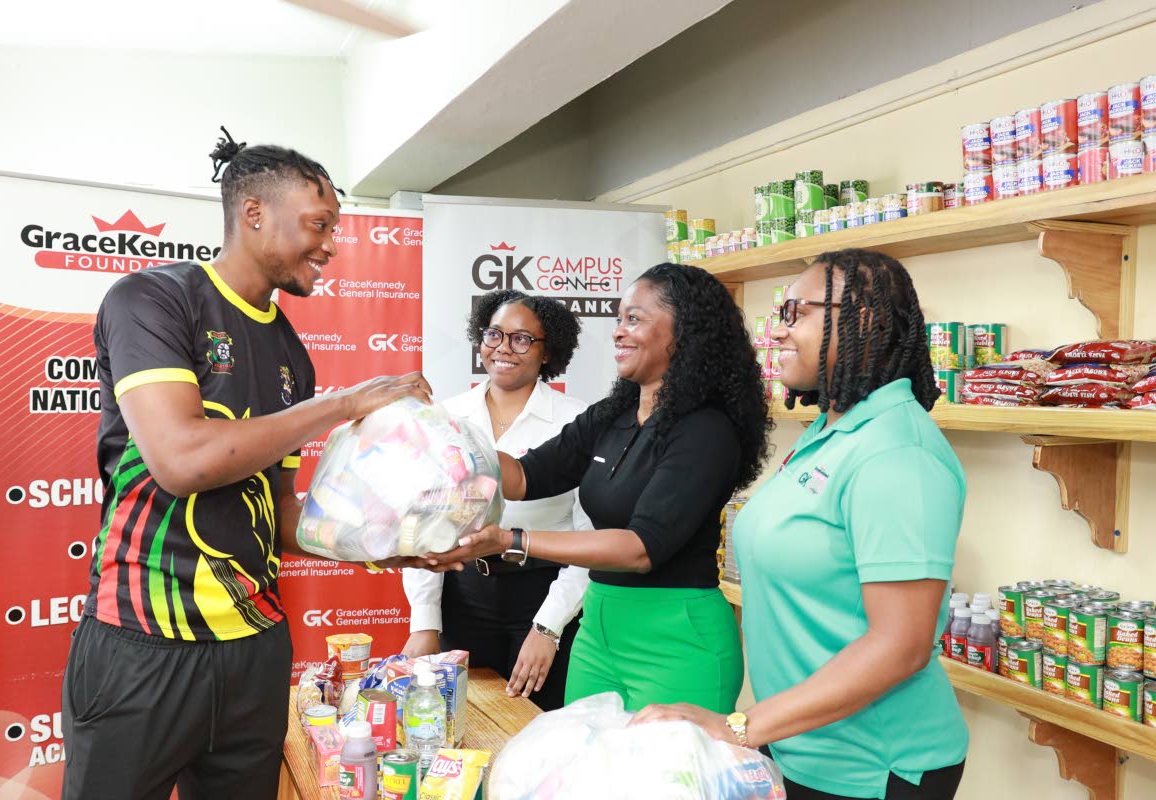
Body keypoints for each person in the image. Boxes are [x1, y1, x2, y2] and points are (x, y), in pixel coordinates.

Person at [61, 129, 431, 800]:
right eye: (318, 225)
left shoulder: (291, 349)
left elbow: (281, 512)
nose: (331, 246)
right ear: (254, 212)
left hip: (256, 650)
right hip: (142, 645)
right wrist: (343, 404)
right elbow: (181, 461)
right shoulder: (153, 299)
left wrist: (391, 547)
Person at [631, 248, 968, 800]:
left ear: (862, 319)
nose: (778, 332)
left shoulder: (897, 454)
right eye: (778, 316)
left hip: (872, 765)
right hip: (800, 744)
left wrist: (741, 726)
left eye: (796, 313)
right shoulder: (830, 430)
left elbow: (901, 644)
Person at [422, 263, 772, 714]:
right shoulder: (613, 415)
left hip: (676, 635)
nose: (619, 333)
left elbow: (641, 547)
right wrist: (437, 436)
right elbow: (524, 477)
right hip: (598, 627)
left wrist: (512, 541)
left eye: (635, 319)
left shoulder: (706, 430)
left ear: (684, 330)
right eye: (619, 319)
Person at [401, 290, 590, 711]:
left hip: (546, 596)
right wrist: (426, 622)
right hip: (464, 597)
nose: (504, 348)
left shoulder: (578, 422)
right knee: (459, 728)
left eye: (522, 339)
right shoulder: (446, 418)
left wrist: (549, 628)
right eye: (494, 335)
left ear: (548, 352)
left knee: (540, 732)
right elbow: (424, 527)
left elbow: (590, 540)